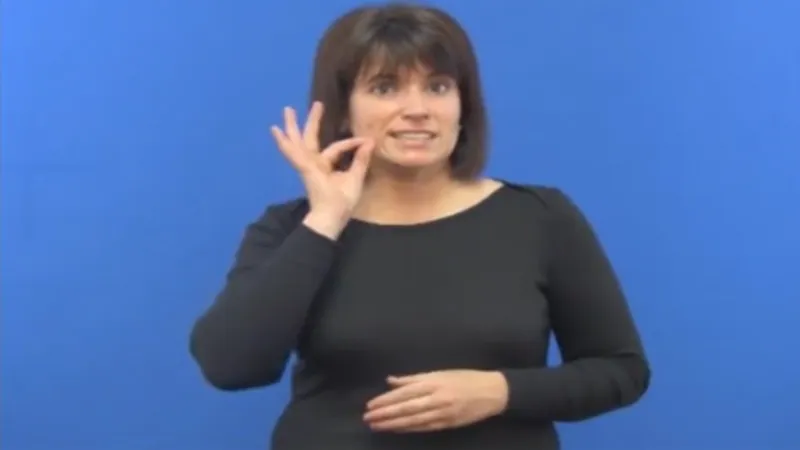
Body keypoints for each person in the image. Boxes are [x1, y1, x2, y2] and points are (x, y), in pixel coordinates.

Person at [189, 3, 651, 449]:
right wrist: (327, 218)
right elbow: (230, 366)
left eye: (438, 87)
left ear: (462, 105)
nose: (417, 108)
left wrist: (499, 392)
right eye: (386, 87)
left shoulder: (540, 218)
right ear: (343, 109)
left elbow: (621, 371)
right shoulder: (292, 228)